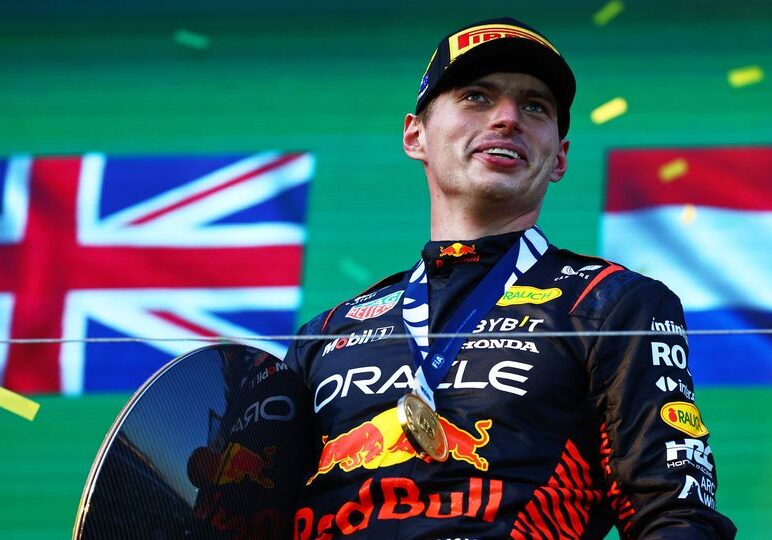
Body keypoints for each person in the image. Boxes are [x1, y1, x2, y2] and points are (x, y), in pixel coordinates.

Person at [285, 17, 737, 539]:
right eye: (477, 97)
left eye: (535, 107)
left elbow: (676, 514)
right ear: (416, 135)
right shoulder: (329, 332)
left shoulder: (609, 301)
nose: (507, 119)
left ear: (560, 157)